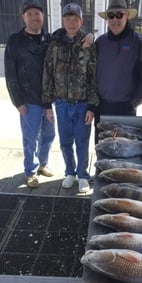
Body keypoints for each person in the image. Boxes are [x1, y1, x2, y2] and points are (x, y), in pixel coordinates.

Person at [42, 3, 99, 193]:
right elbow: (48, 74)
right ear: (63, 20)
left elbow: (94, 76)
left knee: (82, 141)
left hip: (82, 104)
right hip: (61, 103)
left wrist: (92, 105)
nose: (71, 23)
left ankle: (83, 174)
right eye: (68, 19)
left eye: (75, 19)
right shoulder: (54, 44)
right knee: (66, 141)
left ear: (81, 21)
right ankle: (70, 172)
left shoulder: (90, 44)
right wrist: (47, 104)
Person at [4, 0, 55, 188]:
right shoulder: (15, 41)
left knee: (49, 135)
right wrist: (17, 101)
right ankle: (30, 171)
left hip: (48, 100)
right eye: (30, 14)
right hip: (28, 100)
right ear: (23, 17)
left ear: (43, 16)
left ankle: (43, 164)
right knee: (30, 138)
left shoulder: (49, 39)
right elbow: (10, 73)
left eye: (37, 13)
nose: (34, 17)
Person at [96, 0, 142, 118]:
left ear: (126, 16)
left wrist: (133, 104)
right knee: (101, 137)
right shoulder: (100, 43)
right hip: (101, 106)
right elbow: (91, 74)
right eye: (111, 15)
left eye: (119, 15)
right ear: (107, 19)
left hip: (126, 109)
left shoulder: (139, 42)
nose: (115, 19)